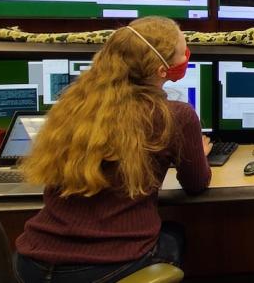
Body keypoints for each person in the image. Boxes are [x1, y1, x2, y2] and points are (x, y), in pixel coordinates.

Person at [14, 16, 212, 282]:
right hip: (108, 268)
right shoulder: (174, 115)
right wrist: (196, 153)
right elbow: (196, 184)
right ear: (161, 70)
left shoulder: (73, 105)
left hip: (31, 263)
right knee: (174, 233)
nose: (186, 57)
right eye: (182, 52)